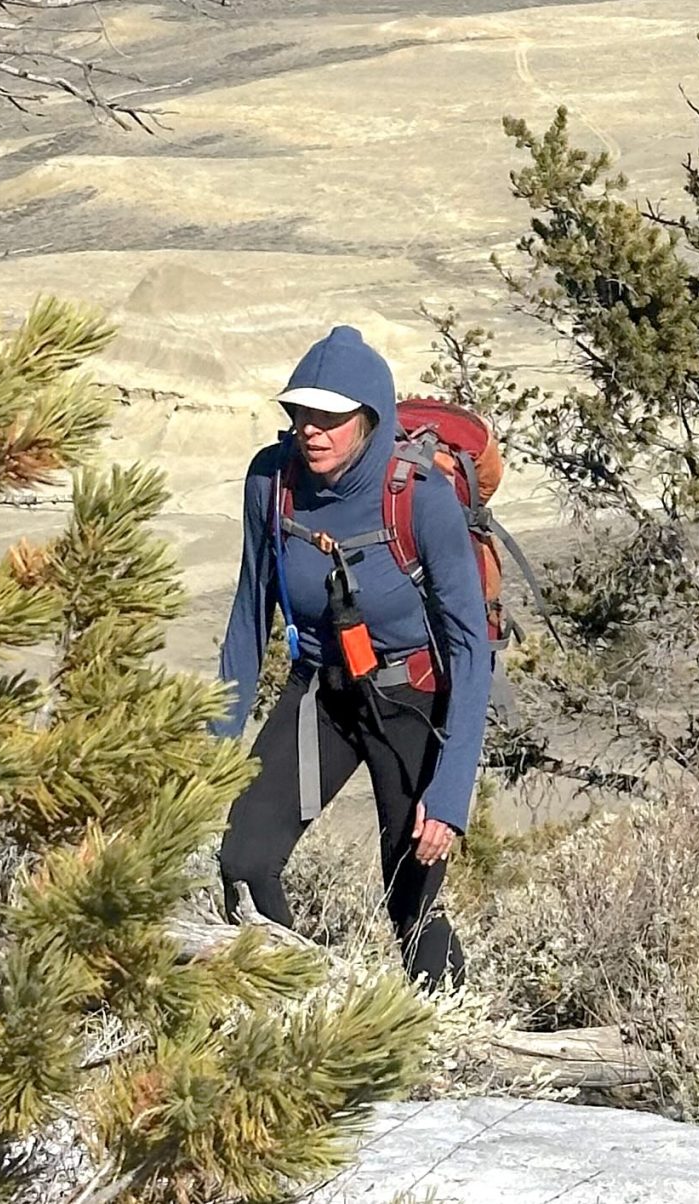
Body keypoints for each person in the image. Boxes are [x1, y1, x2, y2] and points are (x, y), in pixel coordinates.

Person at [213, 325, 493, 985]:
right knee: (245, 862)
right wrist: (211, 756)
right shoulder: (270, 484)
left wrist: (449, 795)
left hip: (414, 701)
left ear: (369, 419)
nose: (312, 429)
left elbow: (470, 648)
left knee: (411, 896)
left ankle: (448, 1041)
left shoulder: (418, 498)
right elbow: (248, 622)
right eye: (301, 413)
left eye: (330, 417)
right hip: (323, 694)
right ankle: (297, 1009)